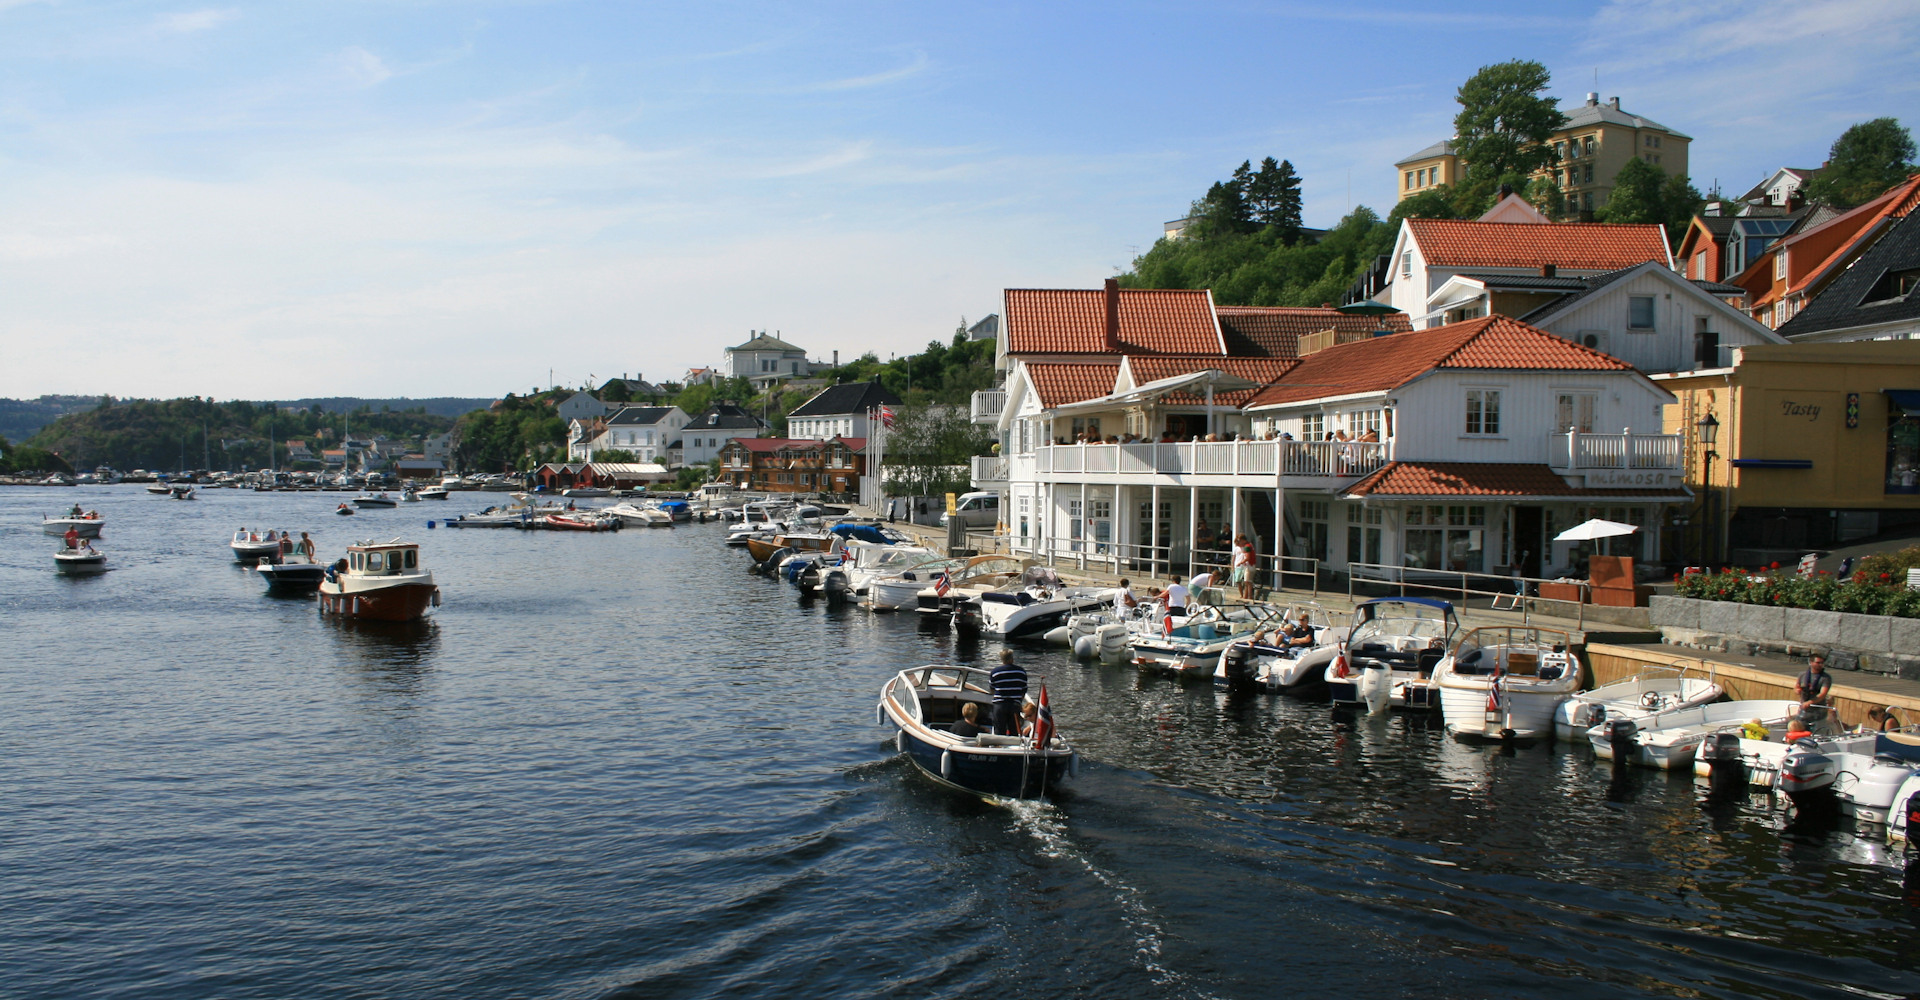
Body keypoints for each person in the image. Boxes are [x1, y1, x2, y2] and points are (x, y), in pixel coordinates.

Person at [990, 650, 1027, 736]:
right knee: (1014, 731)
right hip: (1015, 704)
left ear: (1002, 659)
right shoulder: (1021, 672)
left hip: (999, 705)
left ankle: (999, 747)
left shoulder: (995, 672)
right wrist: (1018, 701)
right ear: (1012, 659)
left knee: (999, 732)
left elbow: (992, 689)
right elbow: (1024, 690)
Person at [1232, 534, 1256, 599]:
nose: (1239, 542)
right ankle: (1245, 596)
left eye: (1240, 541)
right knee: (1246, 582)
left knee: (1248, 582)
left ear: (1243, 540)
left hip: (1249, 565)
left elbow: (1247, 557)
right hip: (1248, 565)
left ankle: (1249, 596)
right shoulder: (1249, 545)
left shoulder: (1247, 546)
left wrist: (1240, 562)